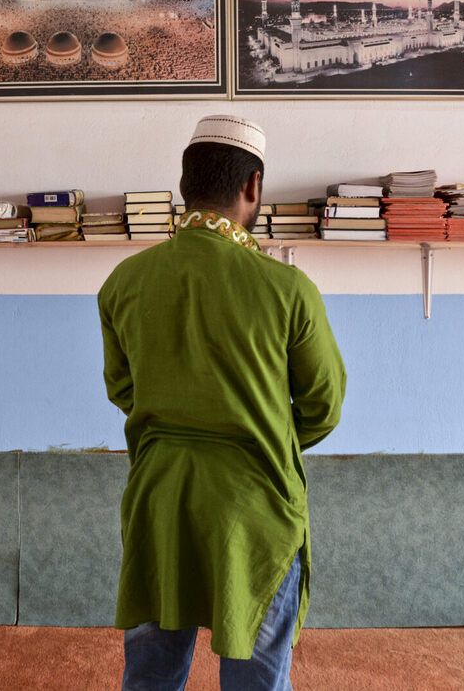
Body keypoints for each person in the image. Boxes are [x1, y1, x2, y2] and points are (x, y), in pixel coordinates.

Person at [98, 114, 347, 690]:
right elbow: (323, 406)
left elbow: (123, 388)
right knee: (255, 676)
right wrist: (264, 430)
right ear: (253, 187)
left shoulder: (124, 281)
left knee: (152, 673)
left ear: (184, 188)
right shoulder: (288, 289)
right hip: (254, 505)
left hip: (161, 500)